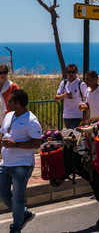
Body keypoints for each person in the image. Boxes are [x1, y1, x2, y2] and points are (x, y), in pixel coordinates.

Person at [0, 89, 41, 233]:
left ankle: (16, 227)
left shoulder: (31, 121)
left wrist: (15, 145)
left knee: (17, 197)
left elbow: (37, 142)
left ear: (17, 103)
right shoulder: (9, 116)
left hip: (22, 165)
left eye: (10, 100)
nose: (8, 102)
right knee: (2, 193)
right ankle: (23, 213)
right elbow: (2, 134)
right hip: (6, 163)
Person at [55, 64, 88, 129]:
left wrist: (85, 117)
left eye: (73, 72)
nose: (71, 74)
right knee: (69, 135)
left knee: (73, 134)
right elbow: (56, 98)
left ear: (76, 72)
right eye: (69, 72)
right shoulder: (64, 83)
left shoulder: (81, 84)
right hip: (66, 116)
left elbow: (87, 98)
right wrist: (64, 95)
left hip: (77, 116)